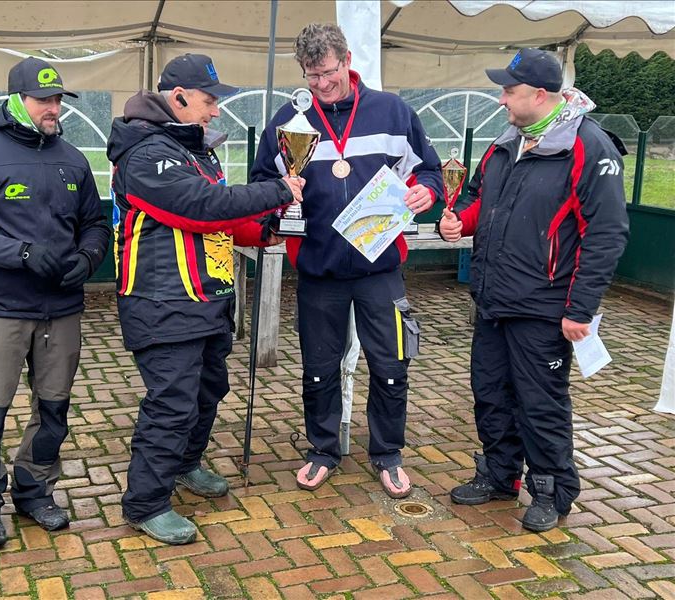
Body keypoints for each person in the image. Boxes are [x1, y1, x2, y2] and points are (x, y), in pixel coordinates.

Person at [107, 53, 304, 545]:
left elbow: (217, 221)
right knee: (171, 404)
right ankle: (145, 503)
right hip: (161, 301)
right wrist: (277, 190)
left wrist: (264, 231)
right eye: (209, 101)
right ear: (178, 97)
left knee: (207, 391)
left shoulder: (196, 150)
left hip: (207, 299)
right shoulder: (146, 153)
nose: (216, 111)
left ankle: (185, 463)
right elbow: (198, 207)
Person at [438, 48, 629, 531]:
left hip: (545, 306)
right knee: (490, 394)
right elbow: (481, 198)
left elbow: (606, 233)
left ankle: (551, 490)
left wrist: (580, 308)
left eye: (509, 90)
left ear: (540, 94)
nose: (501, 99)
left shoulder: (588, 145)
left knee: (540, 404)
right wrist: (460, 221)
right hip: (493, 298)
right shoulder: (506, 141)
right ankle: (500, 475)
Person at [251, 23, 443, 498]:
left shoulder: (392, 111)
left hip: (381, 268)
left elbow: (429, 170)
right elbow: (261, 183)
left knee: (392, 364)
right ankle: (322, 450)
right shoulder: (288, 120)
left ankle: (388, 453)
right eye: (311, 74)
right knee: (319, 367)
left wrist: (427, 191)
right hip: (319, 269)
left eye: (328, 72)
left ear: (347, 61)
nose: (321, 83)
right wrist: (278, 206)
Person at [0, 57, 110, 549]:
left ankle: (35, 491)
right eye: (44, 100)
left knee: (53, 409)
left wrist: (88, 258)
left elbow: (96, 224)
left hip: (62, 309)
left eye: (58, 99)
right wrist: (22, 253)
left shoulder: (73, 159)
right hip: (0, 309)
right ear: (16, 100)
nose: (54, 108)